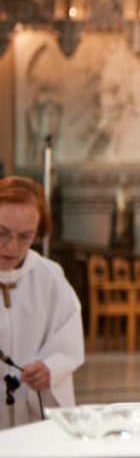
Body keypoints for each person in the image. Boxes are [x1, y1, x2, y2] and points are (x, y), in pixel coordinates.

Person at [0, 176, 84, 428]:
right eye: (1, 233)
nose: (12, 246)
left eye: (25, 236)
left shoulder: (49, 277)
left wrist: (50, 368)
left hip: (30, 408)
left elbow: (68, 340)